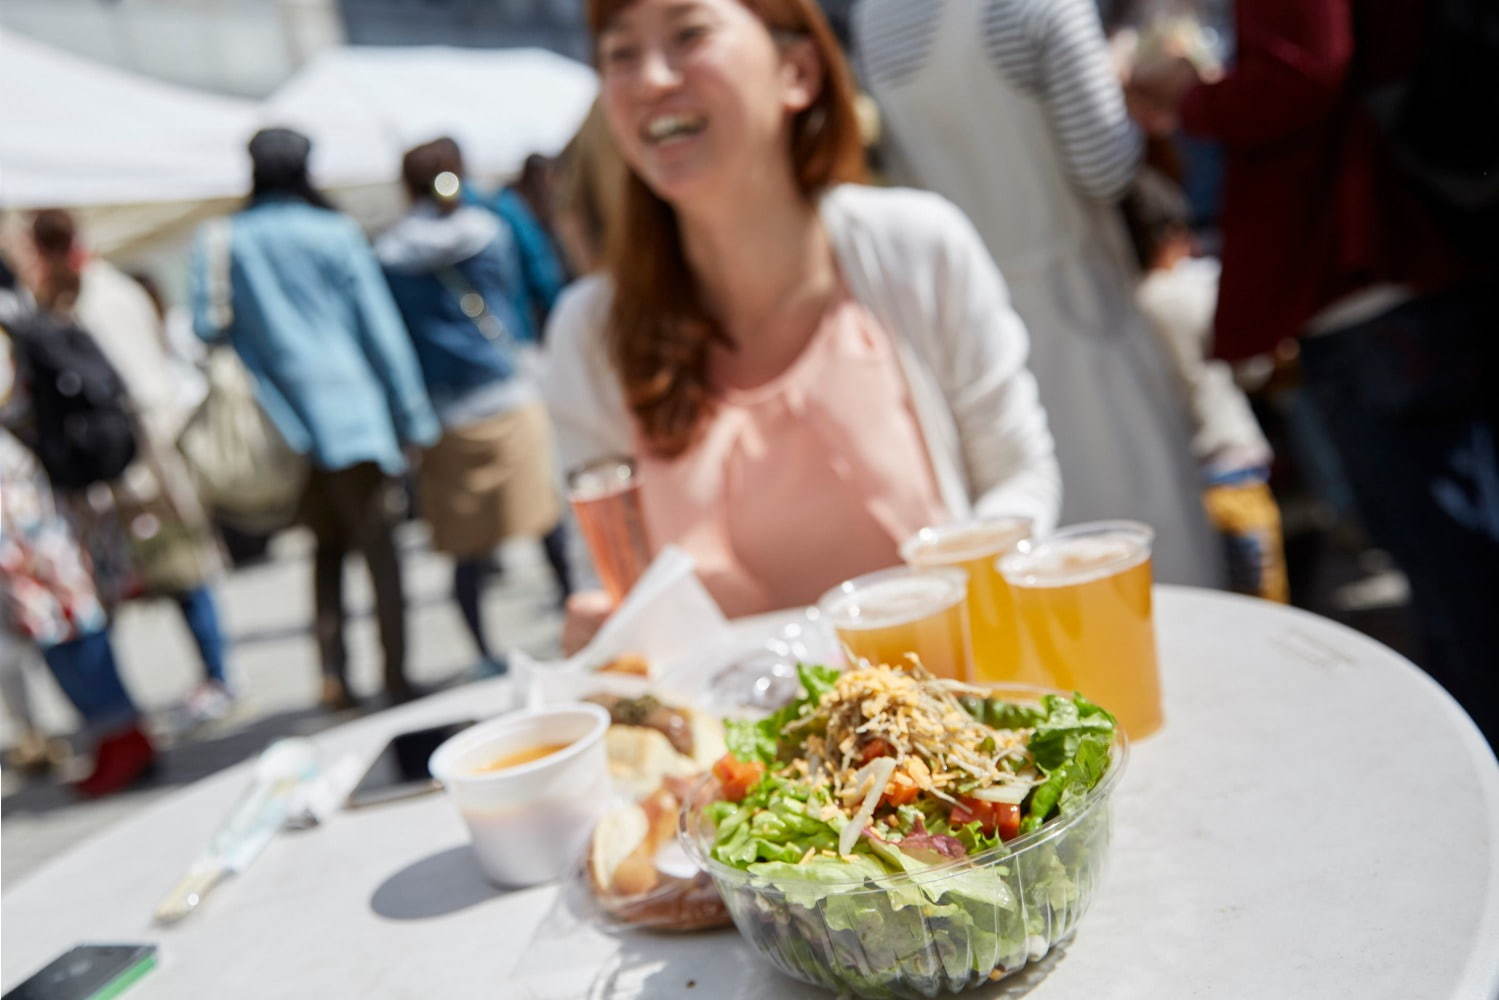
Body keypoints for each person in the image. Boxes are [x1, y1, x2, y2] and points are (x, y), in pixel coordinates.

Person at [545, 0, 1060, 647]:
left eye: (688, 34)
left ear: (797, 71)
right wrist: (605, 631)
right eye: (620, 54)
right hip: (731, 740)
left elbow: (1017, 476)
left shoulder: (915, 249)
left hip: (948, 705)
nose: (650, 79)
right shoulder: (589, 333)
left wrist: (968, 585)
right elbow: (605, 582)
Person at [1127, 0, 1499, 750]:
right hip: (1391, 268)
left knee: (1453, 574)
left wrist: (1189, 97)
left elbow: (1303, 69)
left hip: (1367, 271)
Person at [852, 0, 1222, 588]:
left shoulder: (874, 18)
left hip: (965, 329)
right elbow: (1102, 164)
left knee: (1035, 559)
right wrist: (1123, 77)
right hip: (1081, 306)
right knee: (1152, 556)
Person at [191, 128, 441, 710]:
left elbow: (206, 326)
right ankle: (396, 674)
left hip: (280, 425)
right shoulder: (334, 233)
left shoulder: (223, 239)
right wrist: (413, 418)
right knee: (379, 549)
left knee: (324, 550)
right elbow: (380, 332)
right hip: (354, 416)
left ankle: (334, 676)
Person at [28, 209, 235, 726]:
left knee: (183, 573)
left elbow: (140, 389)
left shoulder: (104, 298)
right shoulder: (79, 296)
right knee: (145, 579)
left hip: (141, 461)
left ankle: (217, 678)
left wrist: (137, 465)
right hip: (126, 462)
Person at [377, 138, 573, 674]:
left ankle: (484, 652)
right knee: (546, 521)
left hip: (445, 414)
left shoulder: (389, 255)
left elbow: (392, 340)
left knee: (466, 550)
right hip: (510, 391)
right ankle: (574, 623)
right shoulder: (492, 229)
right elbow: (534, 289)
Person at [0, 327, 156, 797]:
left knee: (67, 623)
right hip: (24, 506)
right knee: (56, 628)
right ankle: (111, 735)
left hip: (22, 508)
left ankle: (123, 733)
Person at [1122, 169, 1287, 602]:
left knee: (1220, 600)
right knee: (1264, 602)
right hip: (1232, 470)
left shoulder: (1121, 310)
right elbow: (1253, 366)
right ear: (1173, 233)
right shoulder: (1185, 293)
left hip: (1177, 480)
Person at [481, 154, 571, 344]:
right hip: (528, 310)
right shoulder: (514, 210)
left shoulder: (508, 205)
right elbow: (537, 263)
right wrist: (560, 303)